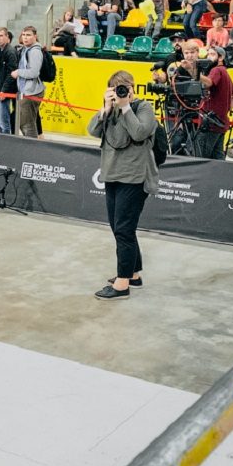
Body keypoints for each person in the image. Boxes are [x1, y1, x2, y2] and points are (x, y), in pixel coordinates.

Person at [89, 70, 159, 300]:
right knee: (118, 226)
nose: (119, 92)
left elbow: (139, 133)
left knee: (123, 229)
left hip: (135, 177)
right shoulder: (110, 109)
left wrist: (126, 106)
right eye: (115, 87)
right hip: (112, 174)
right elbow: (92, 131)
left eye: (124, 87)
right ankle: (134, 274)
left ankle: (122, 284)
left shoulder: (143, 108)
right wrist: (106, 109)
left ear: (132, 87)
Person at [14, 25, 45, 138]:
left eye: (28, 35)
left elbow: (34, 72)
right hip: (26, 91)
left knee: (27, 125)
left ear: (35, 36)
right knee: (26, 123)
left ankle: (32, 149)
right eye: (23, 35)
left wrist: (18, 72)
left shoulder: (35, 52)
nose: (25, 38)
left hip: (31, 92)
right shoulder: (26, 49)